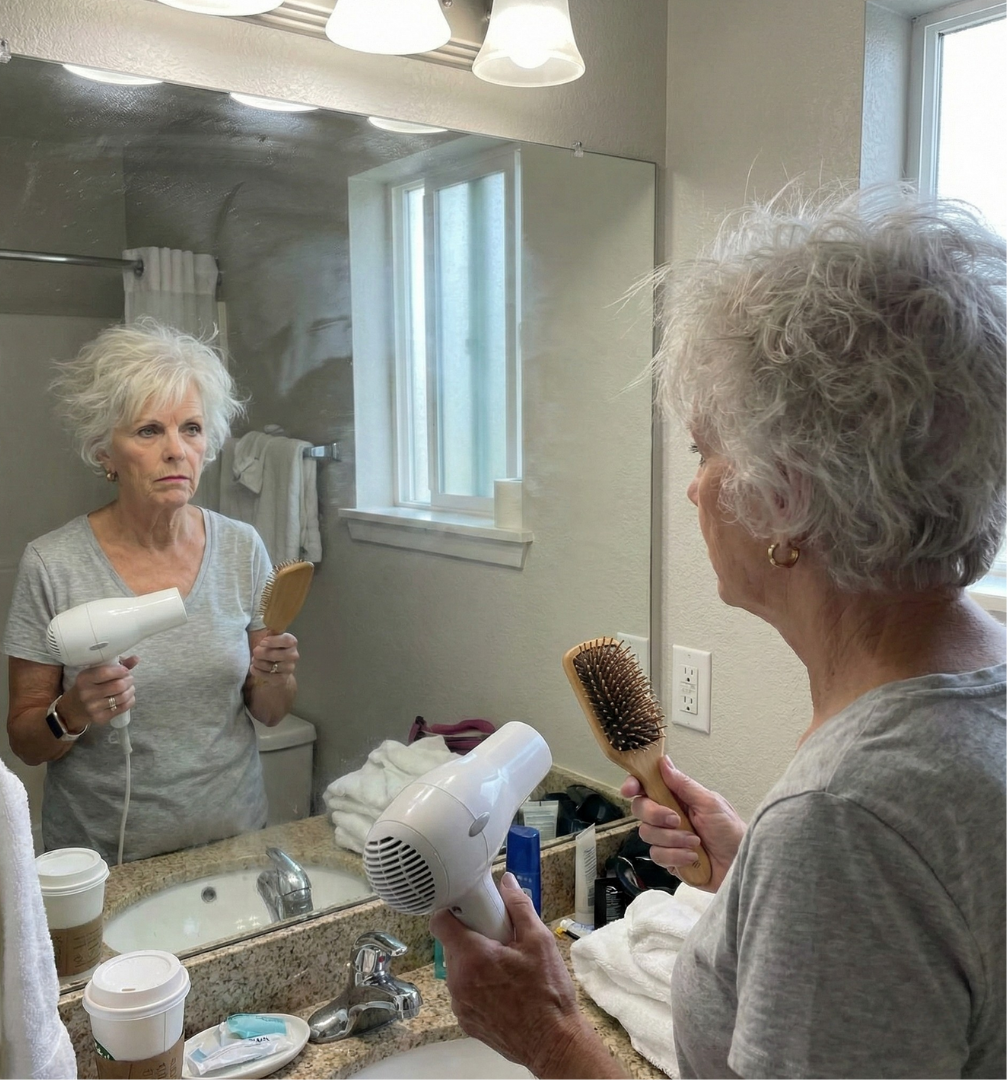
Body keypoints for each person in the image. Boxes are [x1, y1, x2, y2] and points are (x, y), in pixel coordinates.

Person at [431, 188, 1006, 1078]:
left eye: (705, 450)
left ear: (786, 497)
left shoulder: (848, 821)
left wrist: (551, 1037)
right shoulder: (972, 702)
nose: (694, 487)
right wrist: (755, 878)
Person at [3, 318, 300, 864]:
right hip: (107, 859)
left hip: (233, 842)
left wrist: (276, 675)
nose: (176, 450)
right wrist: (71, 712)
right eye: (148, 431)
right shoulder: (53, 564)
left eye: (191, 428)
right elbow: (25, 741)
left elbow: (271, 713)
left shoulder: (242, 547)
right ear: (105, 452)